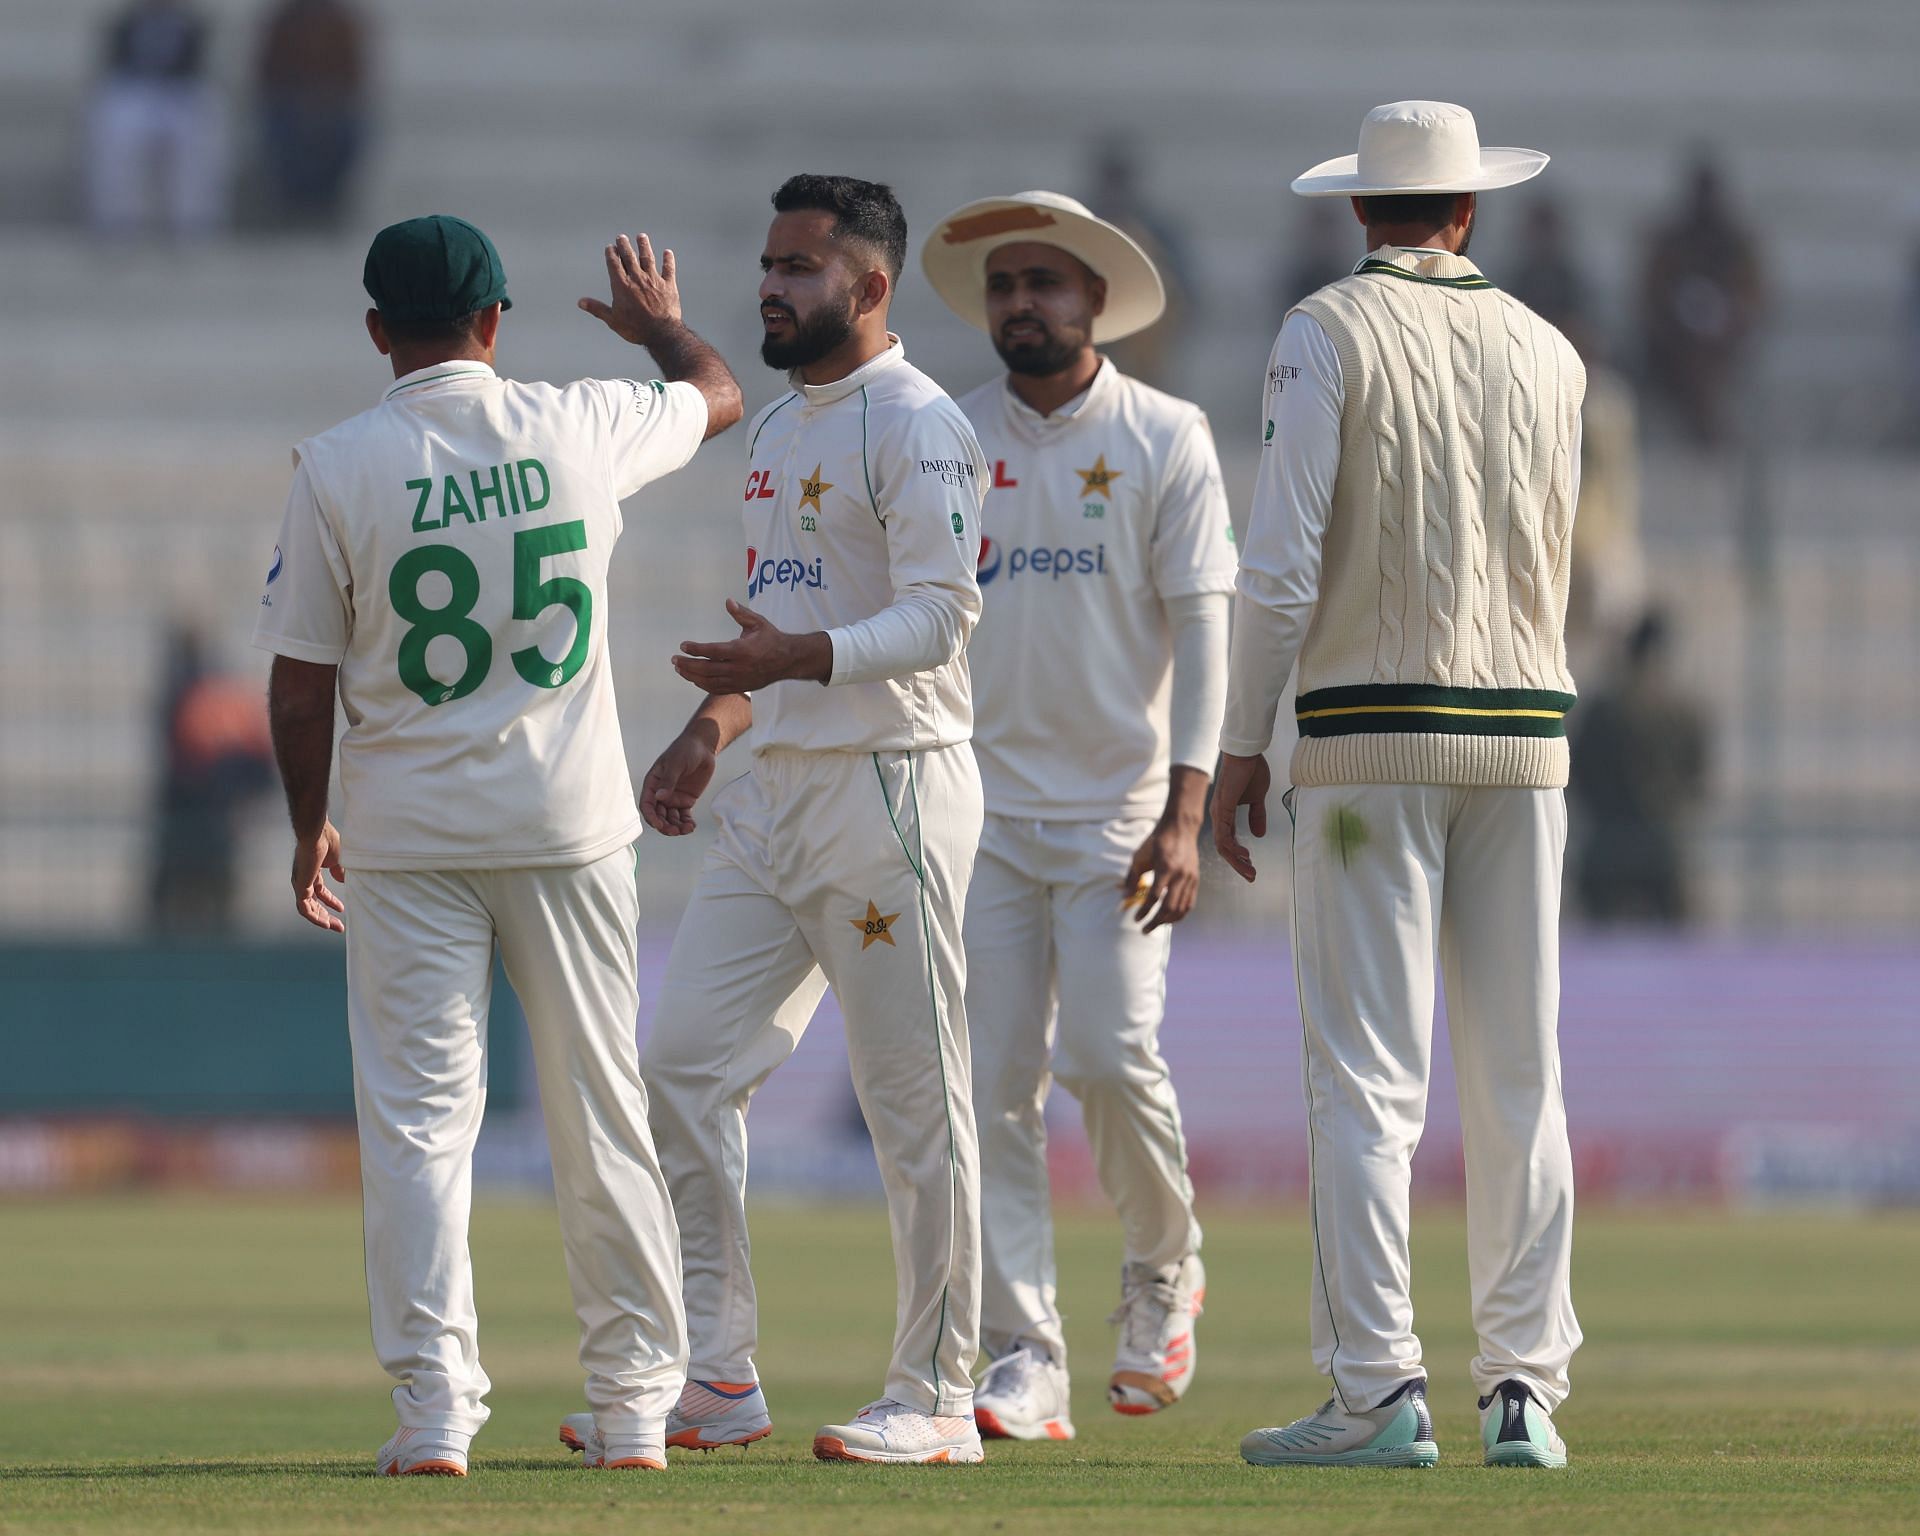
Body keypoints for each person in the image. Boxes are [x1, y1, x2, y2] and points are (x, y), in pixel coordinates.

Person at [254, 214, 742, 1476]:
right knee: (599, 1112)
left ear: (376, 332)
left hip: (409, 840)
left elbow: (302, 686)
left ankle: (433, 1414)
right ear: (495, 322)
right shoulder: (577, 419)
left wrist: (311, 831)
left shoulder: (337, 463)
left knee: (420, 1127)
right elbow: (719, 395)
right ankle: (635, 1408)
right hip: (568, 828)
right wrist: (658, 330)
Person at [1214, 101, 1585, 1471]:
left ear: (1357, 211)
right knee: (1519, 1073)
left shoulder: (1324, 332)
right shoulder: (1552, 350)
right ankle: (1525, 1392)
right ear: (1469, 211)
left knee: (1369, 1077)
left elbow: (1281, 560)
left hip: (1370, 750)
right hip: (1525, 745)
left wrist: (1243, 741)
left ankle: (1375, 1391)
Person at [629, 175, 991, 1466]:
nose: (771, 286)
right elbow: (769, 631)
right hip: (776, 789)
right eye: (770, 262)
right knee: (680, 1069)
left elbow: (944, 617)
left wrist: (794, 666)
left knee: (915, 1107)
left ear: (871, 286)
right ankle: (719, 1376)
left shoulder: (920, 423)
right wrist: (707, 731)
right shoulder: (781, 423)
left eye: (800, 267)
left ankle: (941, 1399)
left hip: (890, 788)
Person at [920, 190, 1236, 1439]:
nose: (1021, 306)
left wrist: (1187, 809)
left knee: (1108, 1060)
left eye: (1045, 284)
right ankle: (1025, 1351)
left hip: (1117, 818)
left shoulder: (1165, 436)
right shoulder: (945, 437)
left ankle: (1164, 1267)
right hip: (981, 817)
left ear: (1096, 300)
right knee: (992, 1086)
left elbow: (1209, 630)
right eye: (1004, 287)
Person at [1569, 608, 1709, 924]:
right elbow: (1697, 781)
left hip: (1609, 843)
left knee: (1596, 952)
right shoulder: (1684, 710)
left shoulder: (1602, 709)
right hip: (1660, 843)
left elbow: (1577, 772)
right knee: (1677, 953)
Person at [149, 623, 275, 934]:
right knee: (211, 917)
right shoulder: (223, 698)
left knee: (179, 917)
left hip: (194, 827)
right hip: (213, 827)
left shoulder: (193, 701)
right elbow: (261, 771)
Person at [1638, 154, 1765, 446]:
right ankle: (1706, 428)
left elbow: (1755, 296)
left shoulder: (1736, 243)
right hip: (1673, 342)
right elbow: (1650, 294)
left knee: (1706, 366)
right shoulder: (1671, 241)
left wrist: (1730, 319)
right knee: (1690, 364)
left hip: (1725, 342)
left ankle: (1707, 426)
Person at [86, 0, 229, 237]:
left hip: (180, 95)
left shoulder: (192, 26)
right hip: (135, 92)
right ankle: (117, 219)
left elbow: (197, 68)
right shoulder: (125, 24)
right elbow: (115, 66)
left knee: (202, 124)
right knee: (115, 124)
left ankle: (193, 219)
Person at [255, 0, 368, 226]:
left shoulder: (342, 22)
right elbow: (268, 75)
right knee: (280, 131)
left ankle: (329, 203)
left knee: (350, 130)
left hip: (333, 105)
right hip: (290, 104)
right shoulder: (283, 22)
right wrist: (301, 100)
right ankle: (291, 203)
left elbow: (353, 75)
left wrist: (325, 99)